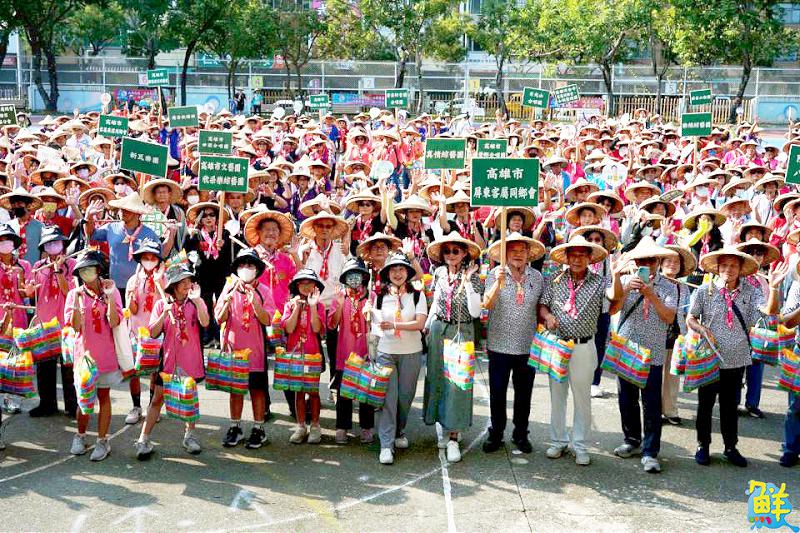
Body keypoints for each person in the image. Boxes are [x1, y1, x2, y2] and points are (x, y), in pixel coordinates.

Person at [686, 248, 786, 467]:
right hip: (709, 357)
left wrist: (775, 289)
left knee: (730, 406)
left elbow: (769, 312)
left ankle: (730, 447)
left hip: (738, 358)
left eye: (733, 266)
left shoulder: (750, 292)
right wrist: (701, 329)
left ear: (741, 269)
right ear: (718, 268)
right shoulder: (705, 290)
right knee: (705, 404)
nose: (728, 270)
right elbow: (690, 318)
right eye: (724, 266)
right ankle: (703, 445)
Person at [538, 235, 623, 466]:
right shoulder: (554, 279)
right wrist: (547, 317)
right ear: (566, 257)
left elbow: (614, 301)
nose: (577, 259)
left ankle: (580, 445)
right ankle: (557, 441)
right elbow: (543, 305)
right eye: (573, 254)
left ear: (589, 257)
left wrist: (615, 275)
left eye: (582, 254)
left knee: (582, 397)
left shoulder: (600, 282)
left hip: (584, 345)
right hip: (558, 344)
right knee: (557, 395)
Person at [84, 192, 159, 423]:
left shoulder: (149, 233)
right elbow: (91, 235)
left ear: (137, 213)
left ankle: (151, 406)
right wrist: (88, 217)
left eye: (126, 210)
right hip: (115, 293)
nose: (122, 213)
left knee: (149, 351)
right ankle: (135, 405)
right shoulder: (112, 228)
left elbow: (158, 258)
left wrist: (171, 237)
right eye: (121, 209)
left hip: (143, 292)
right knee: (127, 349)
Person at [609, 237, 678, 474]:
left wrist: (651, 294)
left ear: (658, 261)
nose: (646, 263)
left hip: (654, 352)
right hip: (627, 347)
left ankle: (650, 451)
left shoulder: (669, 285)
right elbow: (613, 308)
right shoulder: (627, 280)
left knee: (651, 403)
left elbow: (669, 317)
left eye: (650, 259)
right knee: (626, 398)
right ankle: (631, 440)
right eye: (641, 260)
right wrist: (621, 282)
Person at [136, 265, 210, 458]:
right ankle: (144, 438)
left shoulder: (195, 302)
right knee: (157, 399)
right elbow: (153, 332)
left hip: (191, 360)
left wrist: (198, 300)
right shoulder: (162, 304)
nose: (188, 285)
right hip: (168, 361)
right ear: (174, 285)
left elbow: (205, 322)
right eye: (183, 282)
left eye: (189, 281)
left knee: (189, 397)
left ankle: (190, 435)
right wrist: (163, 313)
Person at [482, 233, 545, 454]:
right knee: (497, 393)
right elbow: (486, 305)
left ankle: (521, 433)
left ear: (529, 254)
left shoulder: (537, 277)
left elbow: (541, 306)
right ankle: (496, 433)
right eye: (513, 251)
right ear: (505, 254)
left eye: (522, 251)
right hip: (498, 344)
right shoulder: (494, 274)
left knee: (524, 394)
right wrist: (497, 285)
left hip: (528, 345)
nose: (518, 255)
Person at [424, 233, 483, 463]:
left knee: (458, 385)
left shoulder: (474, 277)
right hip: (439, 330)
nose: (450, 256)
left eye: (455, 251)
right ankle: (443, 425)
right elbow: (436, 301)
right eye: (447, 251)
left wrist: (467, 283)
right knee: (437, 379)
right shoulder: (439, 273)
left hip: (462, 331)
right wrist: (427, 327)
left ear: (464, 253)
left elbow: (476, 312)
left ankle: (454, 437)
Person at [215, 249, 276, 449]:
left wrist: (254, 302)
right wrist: (227, 300)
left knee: (257, 390)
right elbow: (219, 318)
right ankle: (235, 426)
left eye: (250, 265)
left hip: (256, 351)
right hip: (234, 347)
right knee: (236, 389)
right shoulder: (230, 287)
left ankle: (259, 428)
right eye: (242, 265)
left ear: (257, 269)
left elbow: (268, 319)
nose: (246, 269)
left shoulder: (264, 290)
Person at [66, 250, 122, 462]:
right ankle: (80, 436)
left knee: (103, 396)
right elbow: (74, 327)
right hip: (84, 357)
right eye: (82, 271)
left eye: (89, 269)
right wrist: (78, 306)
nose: (86, 274)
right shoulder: (75, 294)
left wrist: (108, 297)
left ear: (99, 270)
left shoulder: (111, 290)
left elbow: (115, 321)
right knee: (84, 399)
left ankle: (102, 440)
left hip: (106, 354)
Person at [372, 253, 427, 465]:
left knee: (405, 397)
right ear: (387, 273)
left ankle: (399, 431)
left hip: (411, 352)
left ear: (407, 273)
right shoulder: (378, 296)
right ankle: (386, 444)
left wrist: (394, 325)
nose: (397, 273)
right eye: (393, 269)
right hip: (386, 351)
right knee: (388, 399)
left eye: (401, 269)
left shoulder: (417, 296)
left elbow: (420, 324)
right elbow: (376, 329)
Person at [28, 226, 77, 418]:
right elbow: (32, 293)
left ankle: (72, 405)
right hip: (44, 321)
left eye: (56, 242)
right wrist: (29, 289)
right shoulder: (38, 266)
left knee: (68, 366)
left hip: (66, 322)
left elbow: (69, 291)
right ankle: (47, 404)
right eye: (49, 243)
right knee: (44, 366)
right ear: (44, 247)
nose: (53, 245)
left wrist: (57, 270)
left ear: (63, 244)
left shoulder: (72, 264)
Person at [328, 257, 374, 445]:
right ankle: (342, 426)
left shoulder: (371, 297)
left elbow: (375, 326)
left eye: (358, 275)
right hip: (344, 352)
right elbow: (332, 324)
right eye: (350, 276)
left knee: (366, 391)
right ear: (345, 278)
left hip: (365, 352)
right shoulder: (340, 297)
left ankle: (366, 427)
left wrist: (371, 313)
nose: (354, 280)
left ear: (364, 277)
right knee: (343, 392)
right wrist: (338, 304)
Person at [282, 268, 325, 444]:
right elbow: (289, 328)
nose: (306, 286)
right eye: (303, 283)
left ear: (315, 286)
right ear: (297, 285)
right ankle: (301, 426)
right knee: (298, 392)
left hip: (313, 354)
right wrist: (297, 307)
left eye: (310, 283)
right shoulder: (290, 305)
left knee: (313, 392)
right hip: (295, 354)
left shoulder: (319, 305)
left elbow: (317, 329)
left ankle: (315, 425)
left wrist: (313, 306)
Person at [660, 245, 695, 426]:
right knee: (656, 376)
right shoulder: (655, 282)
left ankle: (671, 410)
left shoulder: (684, 287)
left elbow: (688, 313)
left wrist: (688, 335)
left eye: (676, 262)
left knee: (673, 375)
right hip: (656, 334)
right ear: (660, 263)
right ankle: (655, 409)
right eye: (668, 261)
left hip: (676, 335)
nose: (672, 265)